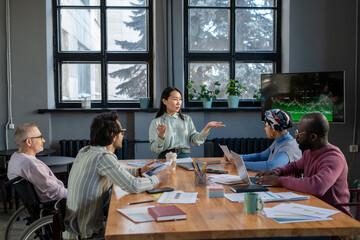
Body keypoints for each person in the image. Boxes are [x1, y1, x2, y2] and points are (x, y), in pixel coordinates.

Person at [64, 111, 171, 239]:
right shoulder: (103, 157)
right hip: (89, 230)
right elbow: (133, 186)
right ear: (112, 135)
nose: (123, 136)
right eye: (122, 132)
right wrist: (158, 178)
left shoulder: (86, 151)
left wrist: (138, 171)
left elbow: (115, 170)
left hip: (74, 226)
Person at [256, 112, 351, 216]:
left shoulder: (333, 158)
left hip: (334, 216)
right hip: (313, 208)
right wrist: (276, 171)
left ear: (313, 137)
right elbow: (295, 166)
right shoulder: (309, 152)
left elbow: (317, 186)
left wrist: (280, 181)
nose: (296, 137)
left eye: (299, 133)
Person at [149, 86, 225, 159]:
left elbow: (195, 141)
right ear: (164, 101)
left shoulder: (187, 119)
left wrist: (207, 127)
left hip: (184, 158)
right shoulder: (156, 122)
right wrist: (161, 136)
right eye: (175, 99)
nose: (178, 103)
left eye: (180, 99)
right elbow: (155, 149)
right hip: (165, 158)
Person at [7, 124, 67, 202]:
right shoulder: (31, 164)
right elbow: (56, 193)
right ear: (29, 142)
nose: (43, 140)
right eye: (40, 137)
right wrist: (75, 194)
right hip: (55, 203)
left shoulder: (15, 158)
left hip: (36, 202)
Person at [227, 109, 302, 171]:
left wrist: (240, 164)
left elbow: (270, 166)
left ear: (273, 129)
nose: (265, 128)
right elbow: (261, 156)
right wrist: (237, 157)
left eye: (266, 126)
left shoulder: (288, 147)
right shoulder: (279, 141)